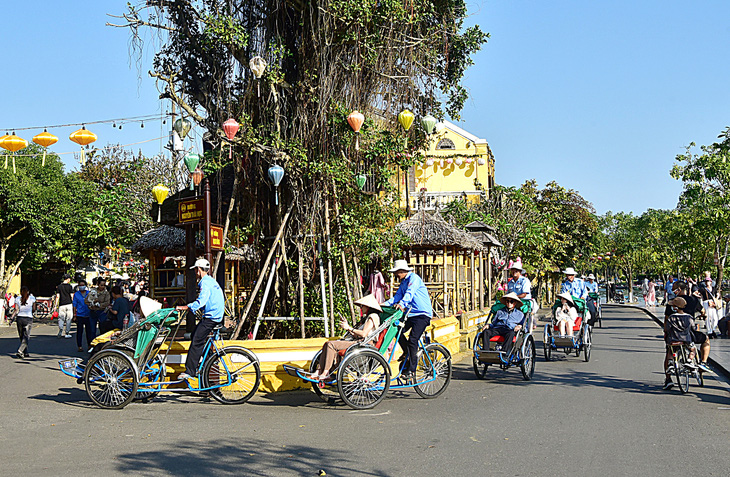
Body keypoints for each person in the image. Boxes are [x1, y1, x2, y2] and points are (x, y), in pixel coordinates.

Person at [310, 294, 382, 381]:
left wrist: (349, 327)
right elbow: (357, 334)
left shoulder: (373, 317)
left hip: (363, 344)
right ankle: (319, 370)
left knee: (330, 345)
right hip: (358, 341)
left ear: (368, 306)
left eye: (362, 306)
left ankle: (326, 373)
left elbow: (363, 334)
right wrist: (348, 328)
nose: (361, 308)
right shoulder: (366, 318)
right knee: (327, 344)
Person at [176, 258, 225, 382]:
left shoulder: (205, 283)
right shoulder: (211, 281)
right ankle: (207, 363)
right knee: (195, 336)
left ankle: (190, 371)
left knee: (197, 341)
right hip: (215, 316)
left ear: (198, 270)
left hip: (211, 318)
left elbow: (202, 301)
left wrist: (186, 307)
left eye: (196, 270)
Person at [382, 259, 432, 381]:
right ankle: (407, 352)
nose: (396, 275)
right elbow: (397, 297)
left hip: (422, 315)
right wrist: (383, 305)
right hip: (410, 315)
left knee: (413, 339)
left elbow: (409, 294)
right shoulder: (403, 282)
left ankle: (412, 370)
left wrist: (402, 304)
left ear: (402, 271)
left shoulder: (413, 279)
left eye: (397, 273)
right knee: (396, 330)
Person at [662, 281, 711, 390]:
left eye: (674, 288)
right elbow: (702, 311)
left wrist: (666, 333)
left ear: (679, 289)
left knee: (669, 351)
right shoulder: (693, 300)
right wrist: (702, 315)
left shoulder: (671, 303)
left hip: (673, 335)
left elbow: (666, 320)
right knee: (705, 340)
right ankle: (703, 362)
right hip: (689, 335)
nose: (673, 291)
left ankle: (668, 379)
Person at [11, 286, 37, 359]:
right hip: (28, 318)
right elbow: (34, 309)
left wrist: (12, 317)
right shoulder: (32, 298)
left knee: (21, 335)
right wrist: (31, 311)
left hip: (19, 318)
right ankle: (20, 350)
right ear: (28, 291)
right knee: (26, 336)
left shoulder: (17, 299)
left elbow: (16, 310)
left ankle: (25, 352)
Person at [72, 280, 91, 352]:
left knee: (89, 331)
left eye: (83, 285)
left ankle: (90, 345)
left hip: (88, 314)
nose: (81, 286)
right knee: (79, 331)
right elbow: (74, 305)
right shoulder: (76, 294)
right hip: (80, 315)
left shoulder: (89, 294)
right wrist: (74, 315)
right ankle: (79, 346)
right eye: (80, 285)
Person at [55, 274, 74, 339]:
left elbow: (57, 296)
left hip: (61, 304)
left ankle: (61, 328)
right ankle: (67, 332)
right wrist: (73, 303)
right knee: (69, 318)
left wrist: (55, 305)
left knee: (61, 318)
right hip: (69, 304)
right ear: (68, 279)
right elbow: (72, 296)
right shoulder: (70, 286)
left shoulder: (59, 286)